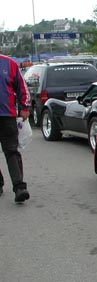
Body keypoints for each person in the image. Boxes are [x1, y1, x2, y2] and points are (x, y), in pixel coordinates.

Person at [0, 53, 31, 203]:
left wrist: (24, 107)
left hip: (7, 116)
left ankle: (19, 188)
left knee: (11, 151)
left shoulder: (9, 63)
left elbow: (21, 87)